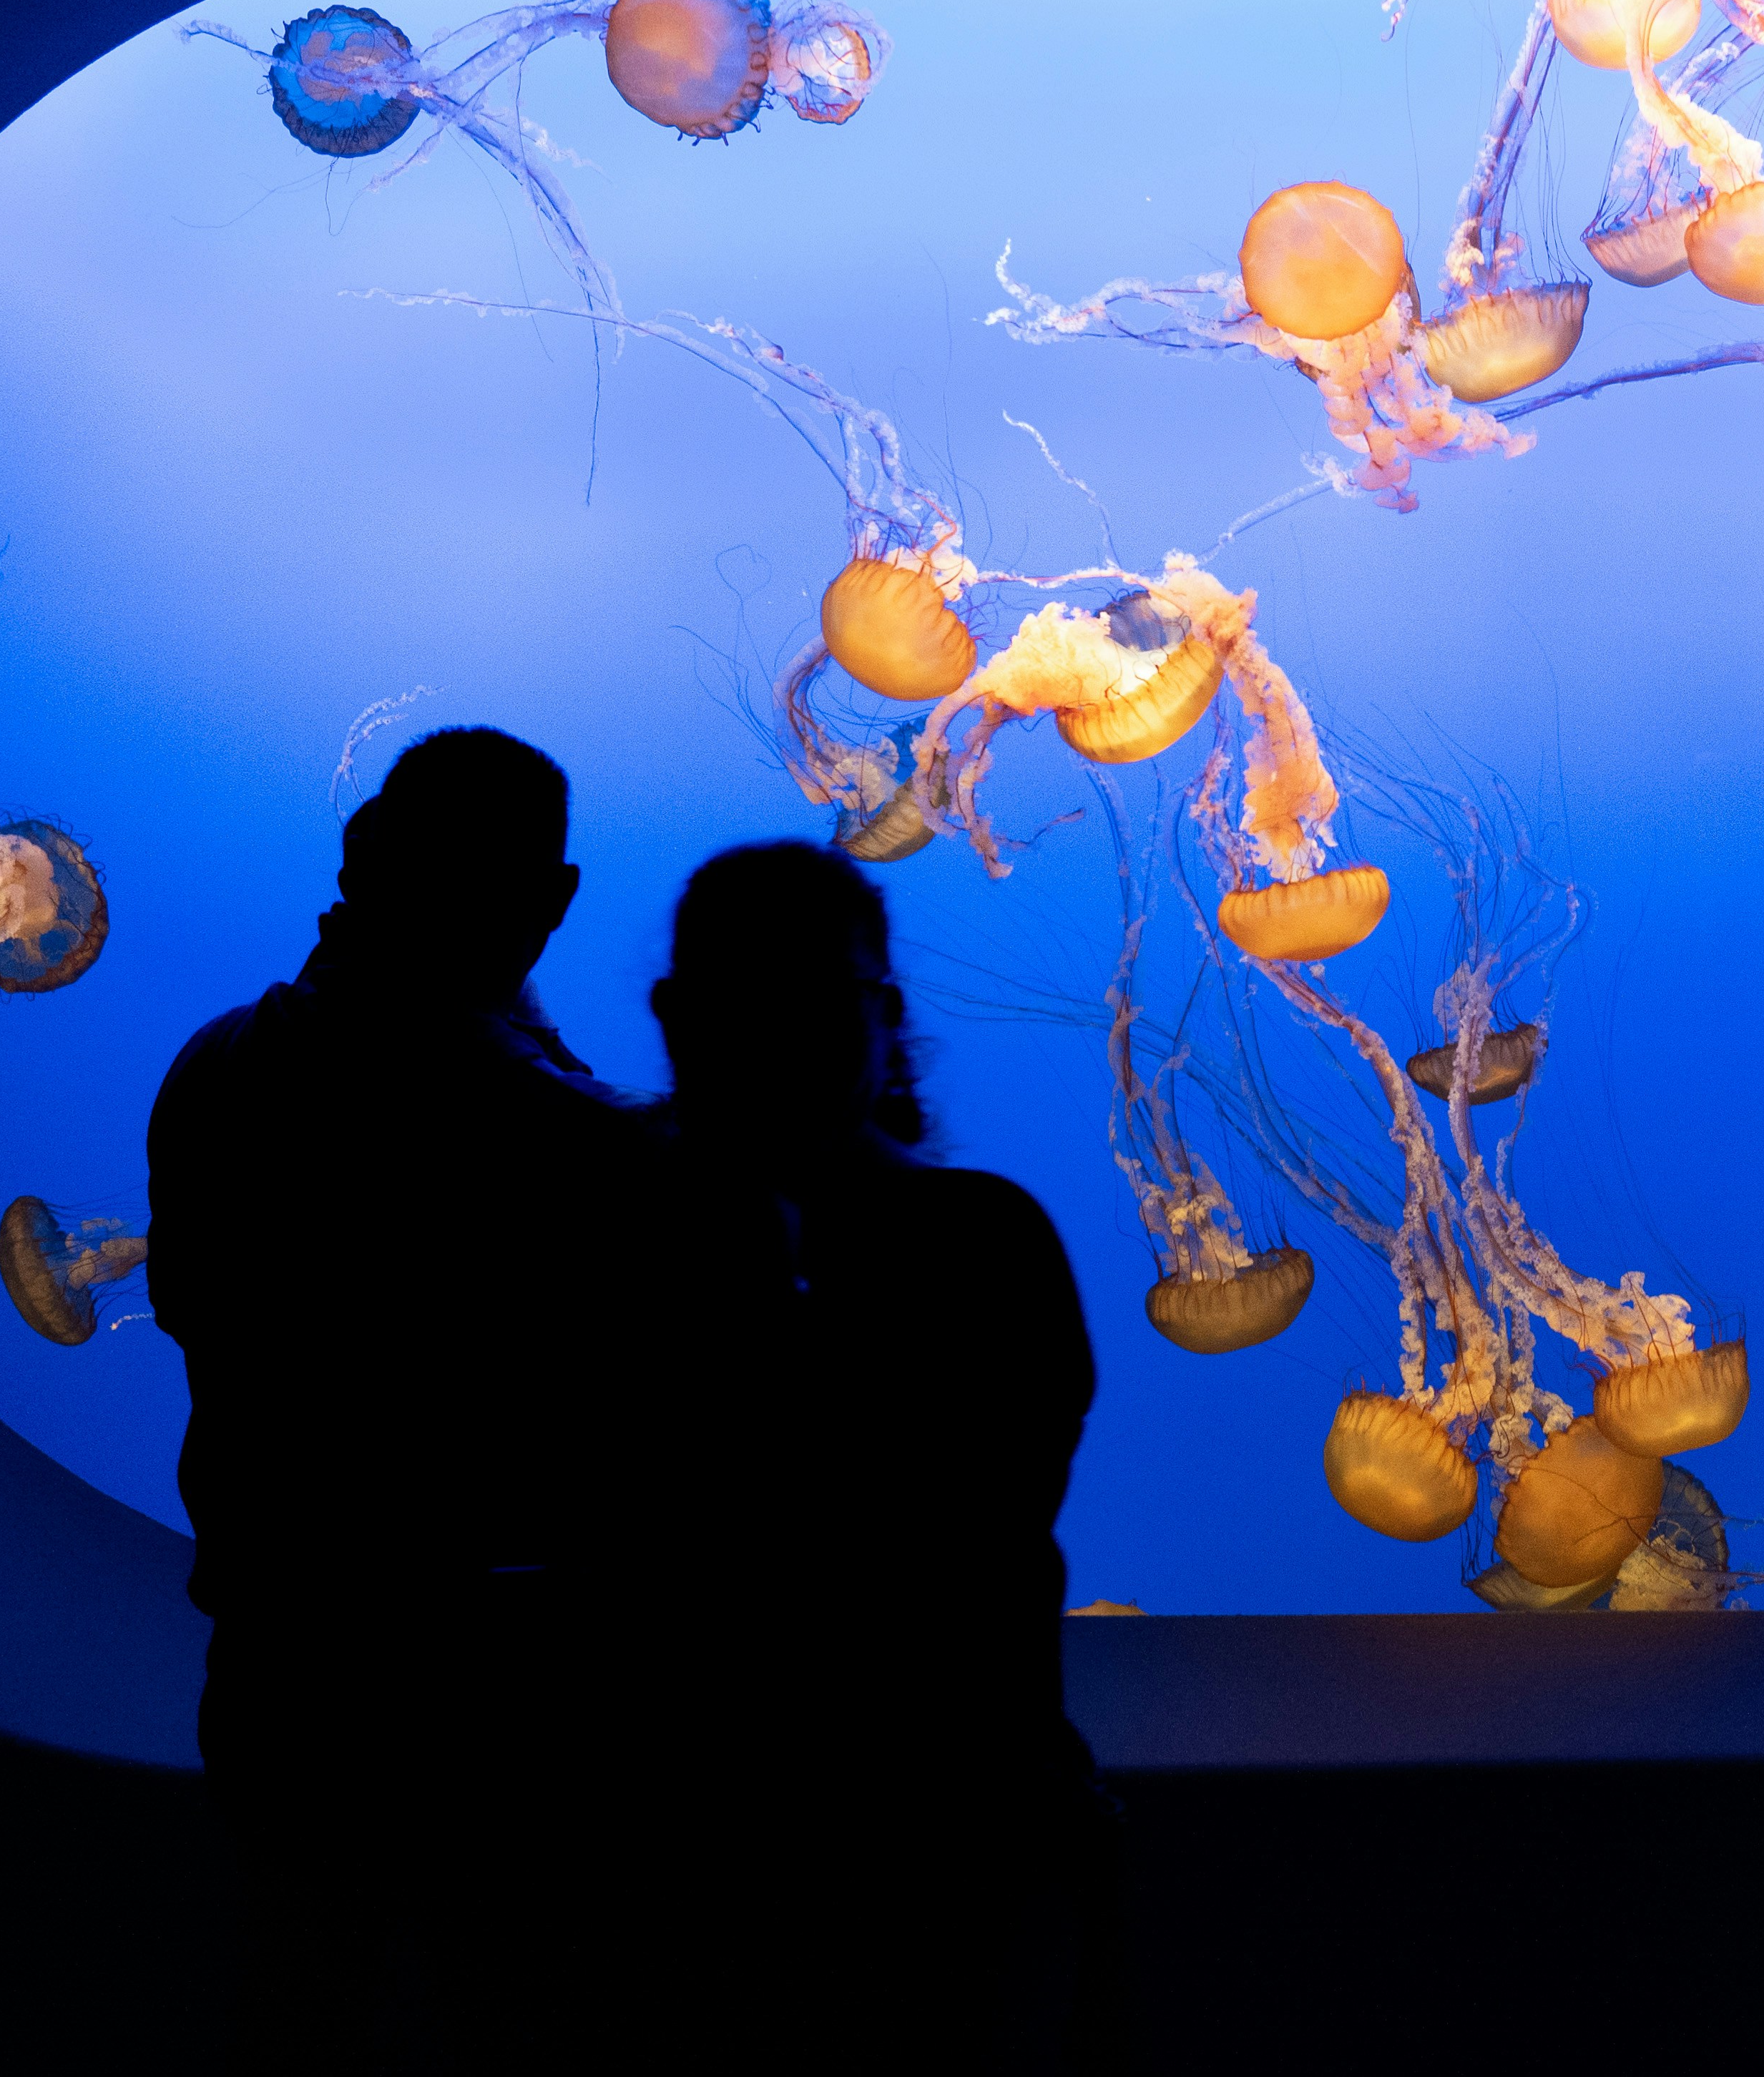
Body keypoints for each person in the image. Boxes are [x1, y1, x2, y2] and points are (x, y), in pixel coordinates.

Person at [147, 727, 668, 2066]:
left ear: (358, 852)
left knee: (302, 2011)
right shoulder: (566, 1132)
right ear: (550, 901)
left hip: (279, 1657)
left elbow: (198, 1311)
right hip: (501, 1680)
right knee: (518, 2025)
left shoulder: (214, 1069)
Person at [642, 841, 1107, 2064]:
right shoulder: (584, 1260)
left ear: (884, 1020)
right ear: (679, 1019)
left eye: (818, 997)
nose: (780, 1033)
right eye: (747, 999)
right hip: (681, 1868)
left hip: (962, 1857)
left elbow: (952, 1548)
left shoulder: (989, 1247)